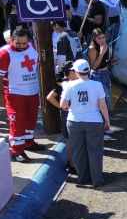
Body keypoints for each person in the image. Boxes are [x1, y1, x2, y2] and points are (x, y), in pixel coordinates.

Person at [0, 27, 42, 160]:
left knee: (31, 119)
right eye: (18, 43)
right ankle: (16, 150)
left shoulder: (32, 47)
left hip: (32, 91)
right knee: (17, 122)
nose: (21, 46)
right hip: (14, 93)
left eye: (24, 43)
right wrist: (0, 96)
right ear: (11, 39)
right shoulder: (4, 53)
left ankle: (28, 142)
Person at [60, 59, 109, 187]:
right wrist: (107, 121)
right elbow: (103, 106)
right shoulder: (97, 85)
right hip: (94, 121)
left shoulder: (70, 85)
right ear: (88, 71)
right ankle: (97, 179)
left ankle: (83, 178)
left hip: (74, 121)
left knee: (78, 151)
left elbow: (63, 105)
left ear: (76, 71)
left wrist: (72, 106)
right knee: (95, 151)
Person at [47, 62, 77, 174]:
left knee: (71, 141)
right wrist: (62, 107)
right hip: (68, 116)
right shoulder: (64, 85)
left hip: (68, 115)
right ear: (70, 73)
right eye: (75, 71)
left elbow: (50, 97)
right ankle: (71, 163)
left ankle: (72, 163)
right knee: (70, 141)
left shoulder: (64, 83)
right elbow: (49, 97)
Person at [86, 28, 114, 121]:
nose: (102, 40)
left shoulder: (105, 45)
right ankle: (102, 122)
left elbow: (105, 61)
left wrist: (110, 61)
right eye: (99, 38)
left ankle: (105, 121)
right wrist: (101, 53)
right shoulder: (92, 48)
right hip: (97, 75)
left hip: (105, 73)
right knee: (102, 100)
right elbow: (93, 67)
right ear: (94, 39)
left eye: (103, 37)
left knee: (107, 98)